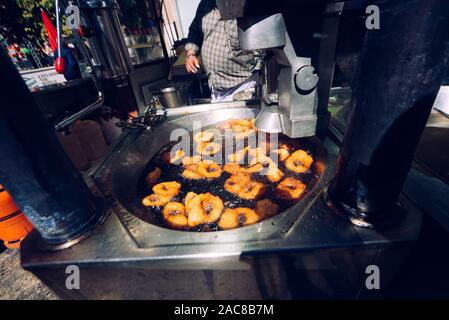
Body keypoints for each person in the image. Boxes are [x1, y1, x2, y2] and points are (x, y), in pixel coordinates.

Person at [185, 0, 262, 103]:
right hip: (216, 87)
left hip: (243, 83)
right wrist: (191, 53)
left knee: (245, 119)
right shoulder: (205, 4)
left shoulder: (244, 4)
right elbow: (195, 31)